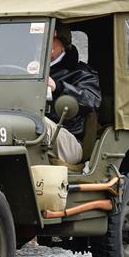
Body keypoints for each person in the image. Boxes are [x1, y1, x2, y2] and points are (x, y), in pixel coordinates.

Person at [44, 21, 102, 165]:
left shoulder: (80, 72)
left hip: (71, 140)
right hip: (39, 137)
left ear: (63, 43)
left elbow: (92, 101)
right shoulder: (29, 70)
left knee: (35, 123)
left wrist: (59, 88)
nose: (43, 43)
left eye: (49, 38)